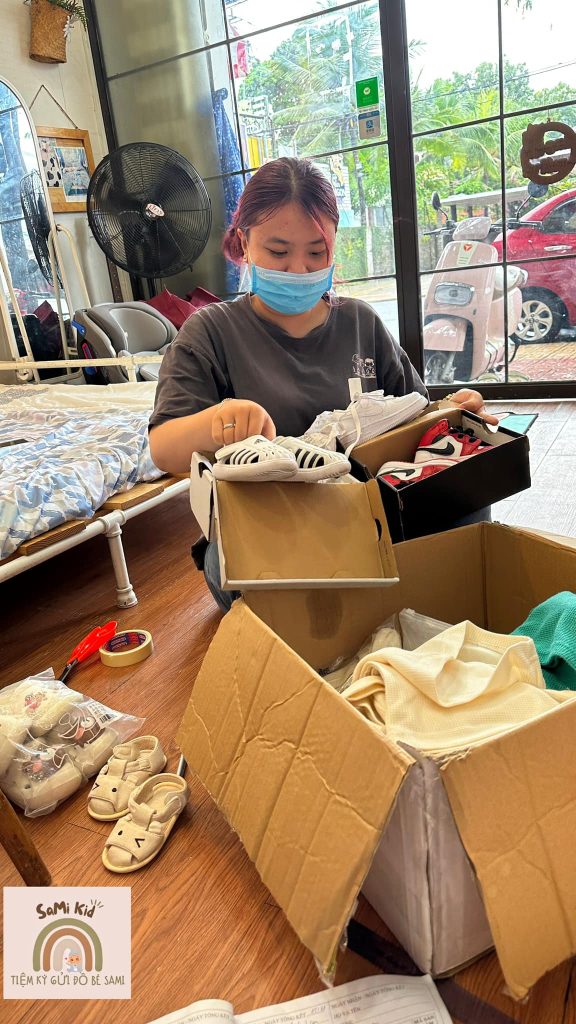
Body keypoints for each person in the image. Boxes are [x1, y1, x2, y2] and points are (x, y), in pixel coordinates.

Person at [149, 157, 496, 613]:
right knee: (257, 576)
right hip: (268, 530)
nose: (298, 270)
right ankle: (379, 605)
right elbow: (164, 448)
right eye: (278, 252)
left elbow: (417, 422)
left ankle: (396, 600)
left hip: (369, 515)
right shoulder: (210, 332)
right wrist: (219, 422)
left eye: (317, 253)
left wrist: (455, 415)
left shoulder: (360, 322)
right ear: (244, 242)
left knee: (468, 499)